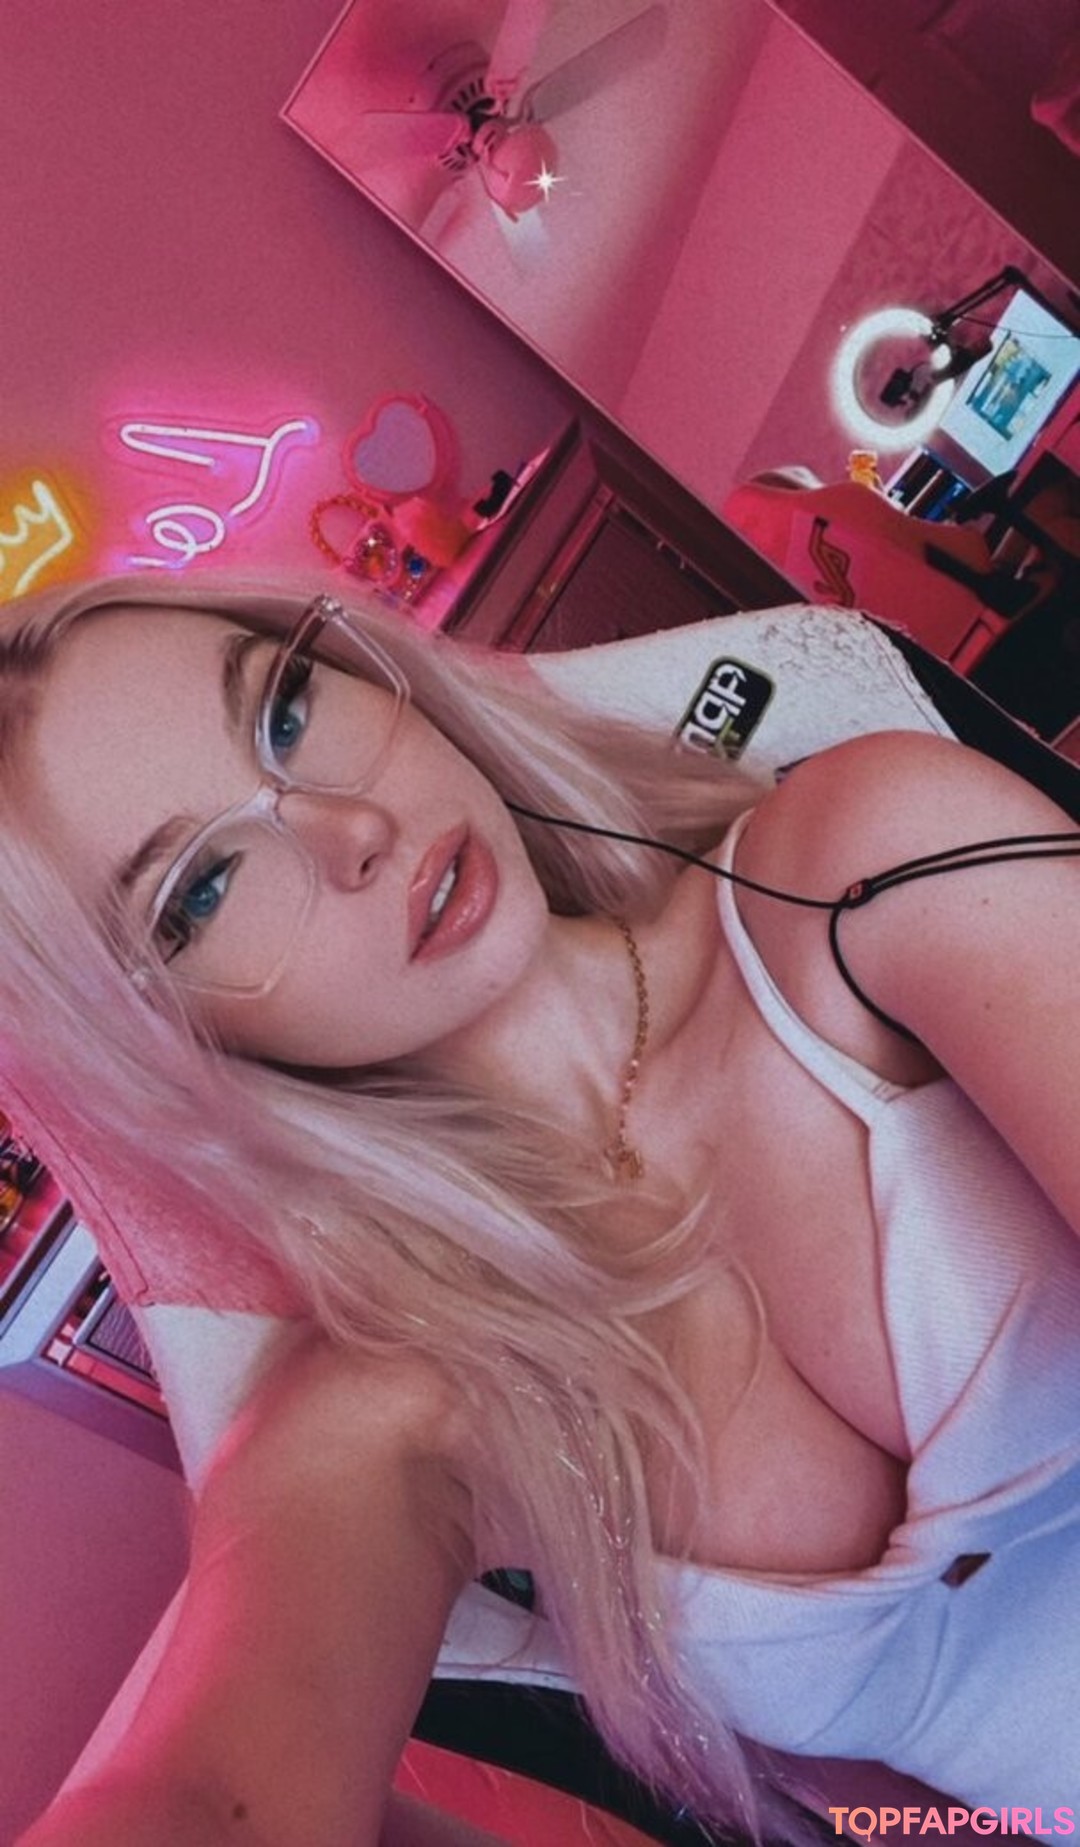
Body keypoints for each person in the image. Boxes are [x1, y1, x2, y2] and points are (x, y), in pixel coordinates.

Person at [9, 575, 1080, 1847]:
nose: (351, 829)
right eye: (203, 888)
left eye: (285, 711)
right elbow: (202, 1803)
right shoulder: (395, 1402)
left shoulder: (856, 871)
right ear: (148, 1037)